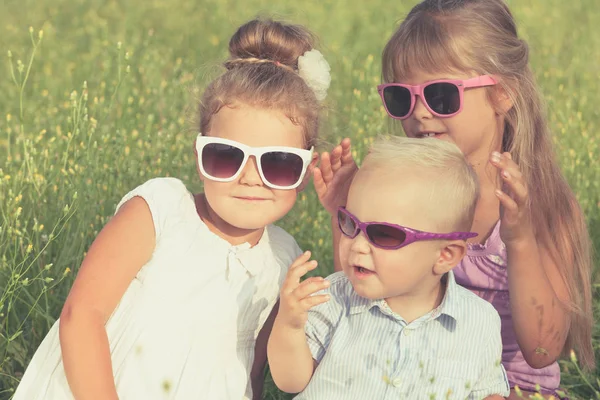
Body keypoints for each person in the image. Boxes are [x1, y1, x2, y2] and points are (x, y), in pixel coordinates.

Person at [13, 18, 331, 400]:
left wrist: (343, 211)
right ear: (199, 155)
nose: (251, 179)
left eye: (278, 163)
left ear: (305, 169)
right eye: (226, 157)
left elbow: (255, 373)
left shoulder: (283, 258)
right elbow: (82, 317)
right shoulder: (160, 211)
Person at [315, 1, 594, 398]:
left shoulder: (542, 203)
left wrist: (520, 240)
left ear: (502, 95)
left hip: (513, 389)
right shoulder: (403, 190)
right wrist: (347, 215)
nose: (419, 114)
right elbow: (364, 293)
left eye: (442, 96)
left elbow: (542, 350)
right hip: (416, 378)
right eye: (402, 98)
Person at [268, 136, 510, 399]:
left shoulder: (478, 322)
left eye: (384, 234)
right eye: (350, 223)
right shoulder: (333, 298)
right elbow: (290, 382)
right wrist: (289, 328)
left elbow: (488, 392)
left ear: (445, 255)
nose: (358, 245)